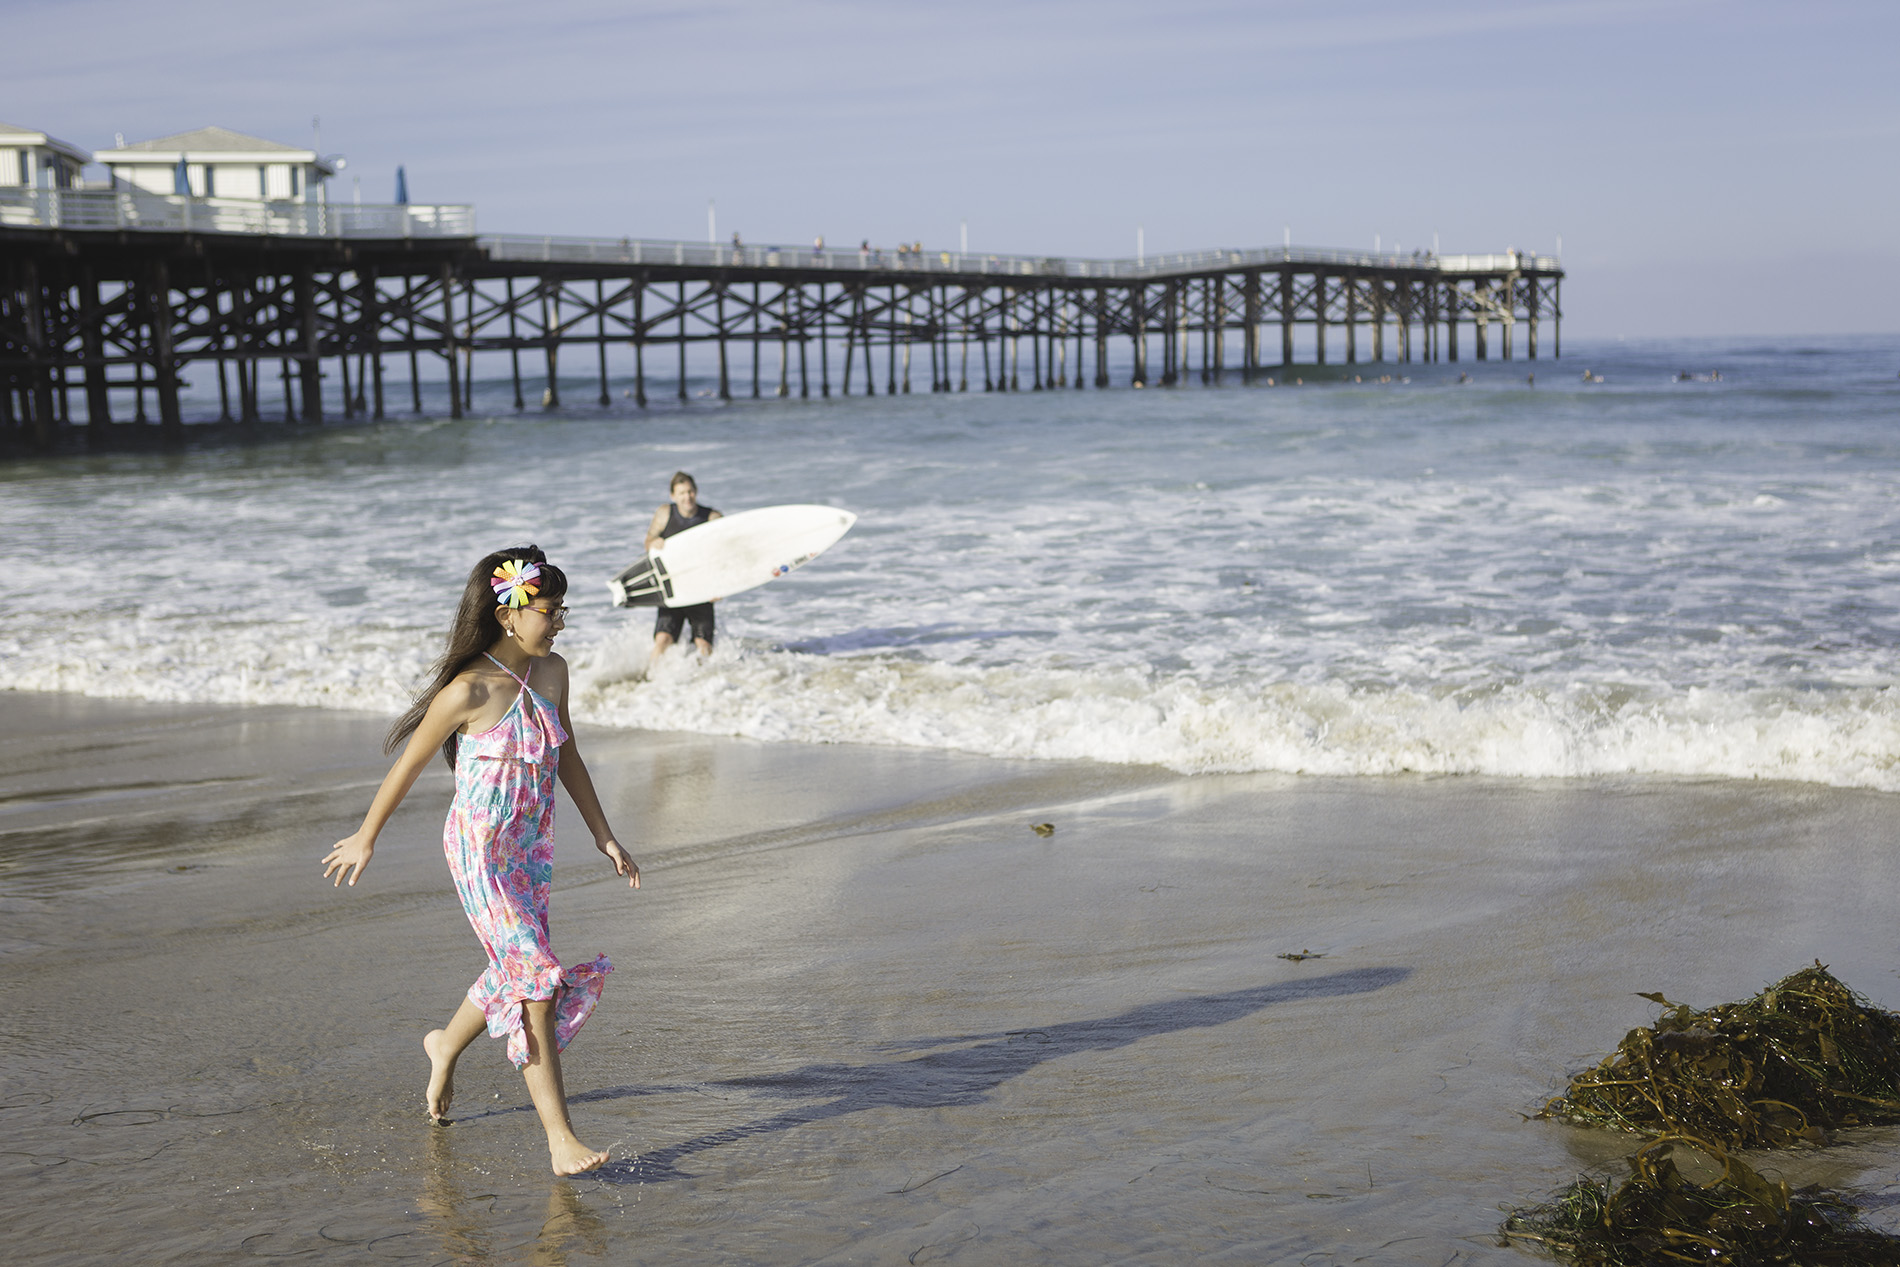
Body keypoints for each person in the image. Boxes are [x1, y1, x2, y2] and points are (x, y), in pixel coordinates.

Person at [322, 546, 639, 1176]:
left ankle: (444, 1047)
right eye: (547, 611)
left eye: (562, 611)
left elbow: (566, 756)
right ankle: (560, 1141)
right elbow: (407, 765)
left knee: (514, 969)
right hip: (479, 852)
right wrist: (366, 836)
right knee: (536, 984)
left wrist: (604, 835)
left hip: (530, 849)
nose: (558, 623)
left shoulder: (554, 674)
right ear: (509, 613)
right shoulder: (467, 689)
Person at [645, 471, 723, 672]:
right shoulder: (665, 514)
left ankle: (704, 680)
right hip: (675, 588)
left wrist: (722, 585)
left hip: (701, 590)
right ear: (673, 496)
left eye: (690, 492)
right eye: (681, 493)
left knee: (703, 644)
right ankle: (649, 678)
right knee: (663, 639)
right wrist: (655, 542)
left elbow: (725, 553)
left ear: (696, 492)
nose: (687, 497)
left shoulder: (712, 517)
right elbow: (648, 542)